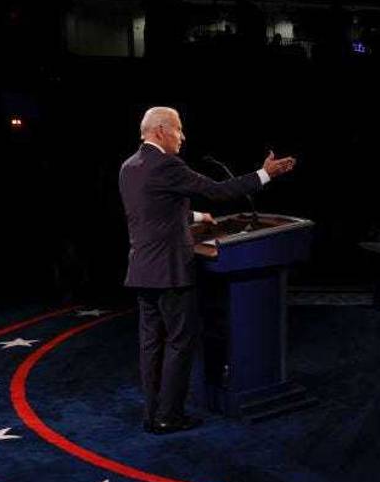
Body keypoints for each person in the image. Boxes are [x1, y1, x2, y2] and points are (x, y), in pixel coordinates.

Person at [118, 107, 296, 434]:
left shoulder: (129, 167)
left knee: (150, 345)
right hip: (171, 272)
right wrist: (265, 173)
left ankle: (152, 412)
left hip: (143, 272)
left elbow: (154, 214)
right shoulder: (168, 164)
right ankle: (168, 416)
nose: (183, 137)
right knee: (179, 342)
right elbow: (218, 190)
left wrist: (198, 217)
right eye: (179, 130)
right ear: (160, 131)